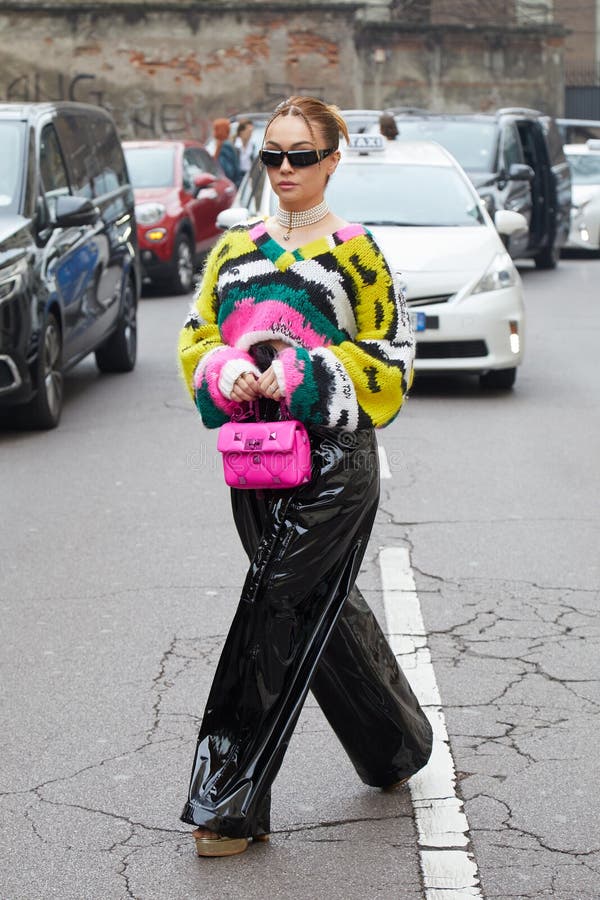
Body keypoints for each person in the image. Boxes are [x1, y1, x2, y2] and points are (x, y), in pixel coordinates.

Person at [178, 96, 433, 858]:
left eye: (300, 155)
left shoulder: (358, 252)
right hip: (256, 464)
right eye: (272, 156)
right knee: (323, 610)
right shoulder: (234, 249)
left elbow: (392, 359)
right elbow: (196, 341)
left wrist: (294, 374)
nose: (284, 169)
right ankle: (396, 743)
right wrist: (230, 374)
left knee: (273, 612)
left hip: (333, 464)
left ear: (332, 159)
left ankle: (228, 803)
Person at [211, 117, 242, 186]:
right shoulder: (220, 144)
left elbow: (228, 171)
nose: (214, 132)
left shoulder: (225, 145)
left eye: (215, 129)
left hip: (232, 185)